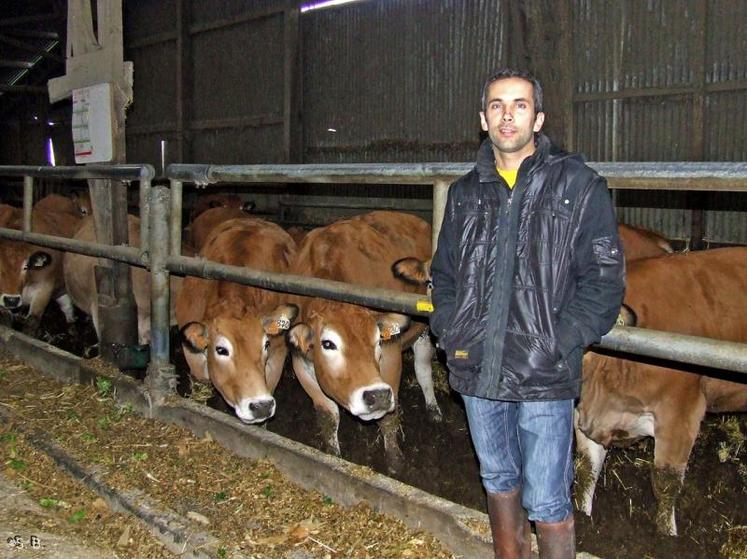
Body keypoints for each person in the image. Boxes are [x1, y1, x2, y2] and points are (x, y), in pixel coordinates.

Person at [429, 68, 625, 558]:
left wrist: (557, 341)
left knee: (547, 498)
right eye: (497, 105)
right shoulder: (464, 193)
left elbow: (604, 280)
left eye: (519, 104)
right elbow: (445, 275)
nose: (507, 114)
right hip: (476, 365)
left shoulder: (579, 186)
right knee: (496, 478)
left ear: (538, 118)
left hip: (543, 372)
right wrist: (450, 329)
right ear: (483, 119)